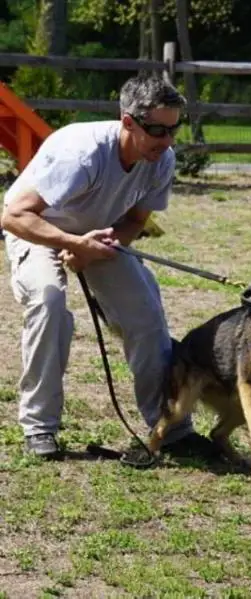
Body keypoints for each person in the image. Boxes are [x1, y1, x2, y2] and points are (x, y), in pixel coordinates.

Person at [1, 74, 210, 460]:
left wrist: (99, 246)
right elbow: (13, 216)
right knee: (49, 306)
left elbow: (134, 221)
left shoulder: (160, 160)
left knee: (146, 316)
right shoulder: (81, 152)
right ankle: (39, 427)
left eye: (173, 129)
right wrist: (71, 243)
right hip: (37, 230)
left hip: (98, 235)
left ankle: (171, 428)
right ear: (128, 121)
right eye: (157, 130)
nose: (167, 141)